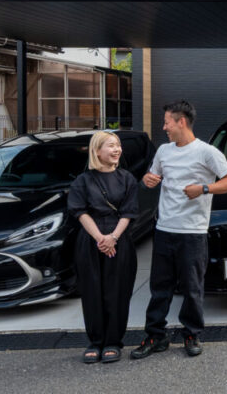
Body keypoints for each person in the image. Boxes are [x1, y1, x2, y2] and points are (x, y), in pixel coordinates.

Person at [131, 100, 227, 359]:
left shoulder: (207, 152)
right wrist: (147, 179)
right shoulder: (163, 151)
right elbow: (152, 178)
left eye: (167, 122)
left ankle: (191, 333)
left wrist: (203, 188)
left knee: (192, 288)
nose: (164, 127)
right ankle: (155, 336)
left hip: (193, 233)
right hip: (164, 230)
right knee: (160, 287)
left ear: (181, 122)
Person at [68, 130, 140, 364]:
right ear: (97, 151)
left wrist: (113, 238)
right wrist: (101, 238)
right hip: (91, 239)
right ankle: (95, 341)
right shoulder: (83, 180)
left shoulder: (127, 178)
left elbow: (129, 212)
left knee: (117, 292)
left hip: (119, 239)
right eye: (111, 145)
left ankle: (113, 342)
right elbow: (80, 212)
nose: (117, 149)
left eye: (118, 145)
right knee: (92, 292)